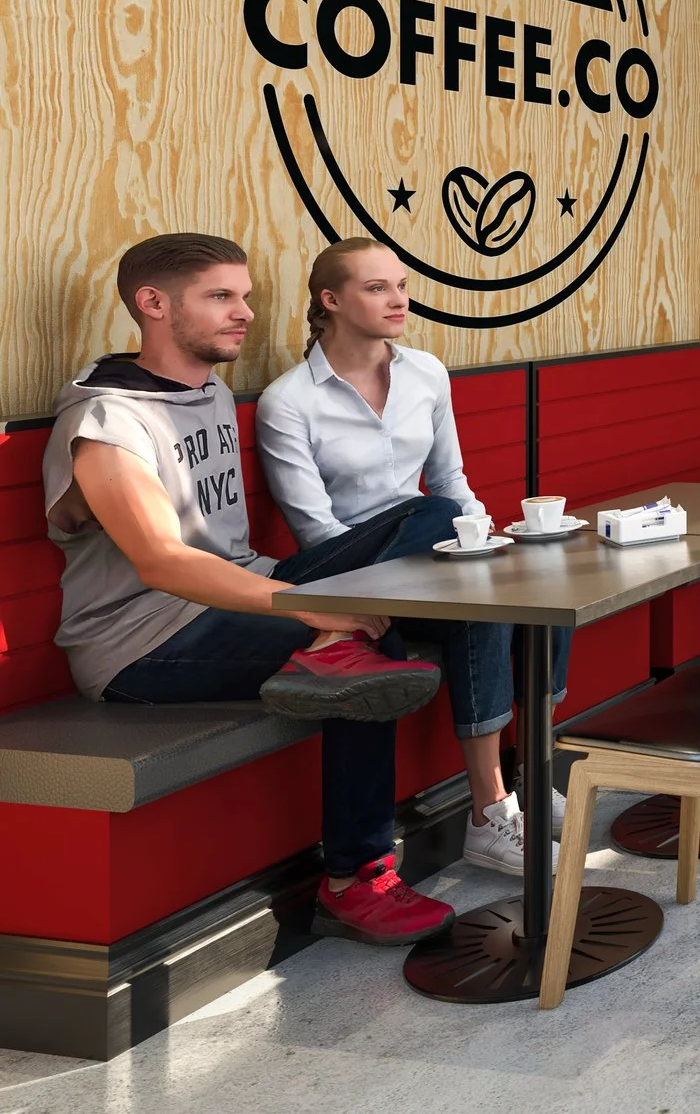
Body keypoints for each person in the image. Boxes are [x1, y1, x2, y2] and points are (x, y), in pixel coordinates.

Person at [44, 234, 460, 945]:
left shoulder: (201, 388)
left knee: (436, 516)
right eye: (221, 297)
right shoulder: (108, 421)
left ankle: (478, 780)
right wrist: (309, 608)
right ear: (152, 304)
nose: (247, 313)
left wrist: (317, 604)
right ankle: (354, 880)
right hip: (144, 640)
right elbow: (163, 564)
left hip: (238, 588)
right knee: (371, 649)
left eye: (246, 296)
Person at [257, 238, 570, 877]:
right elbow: (316, 532)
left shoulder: (426, 372)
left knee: (528, 589)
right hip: (348, 575)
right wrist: (450, 543)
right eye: (377, 288)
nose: (398, 299)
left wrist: (491, 546)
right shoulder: (288, 402)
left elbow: (453, 481)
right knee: (432, 518)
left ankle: (513, 794)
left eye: (401, 285)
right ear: (331, 300)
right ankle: (490, 812)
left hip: (432, 562)